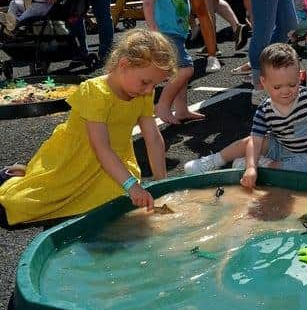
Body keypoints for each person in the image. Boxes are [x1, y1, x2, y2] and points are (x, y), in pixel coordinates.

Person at [0, 29, 177, 225]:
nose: (149, 90)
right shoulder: (95, 92)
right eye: (145, 82)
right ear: (124, 65)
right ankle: (12, 174)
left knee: (114, 202)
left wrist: (162, 183)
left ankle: (26, 171)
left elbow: (152, 138)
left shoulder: (143, 93)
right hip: (76, 160)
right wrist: (131, 185)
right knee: (21, 206)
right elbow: (101, 147)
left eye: (154, 85)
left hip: (112, 163)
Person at [184, 43, 307, 187]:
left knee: (304, 169)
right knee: (249, 141)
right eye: (277, 87)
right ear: (263, 82)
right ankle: (216, 160)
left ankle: (264, 165)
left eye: (292, 85)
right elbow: (255, 141)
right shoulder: (265, 108)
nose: (285, 91)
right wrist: (250, 168)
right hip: (281, 146)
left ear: (299, 78)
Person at [143, 0, 209, 125]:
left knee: (181, 73)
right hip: (166, 34)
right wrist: (154, 30)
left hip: (176, 33)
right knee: (185, 70)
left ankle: (181, 110)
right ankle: (163, 105)